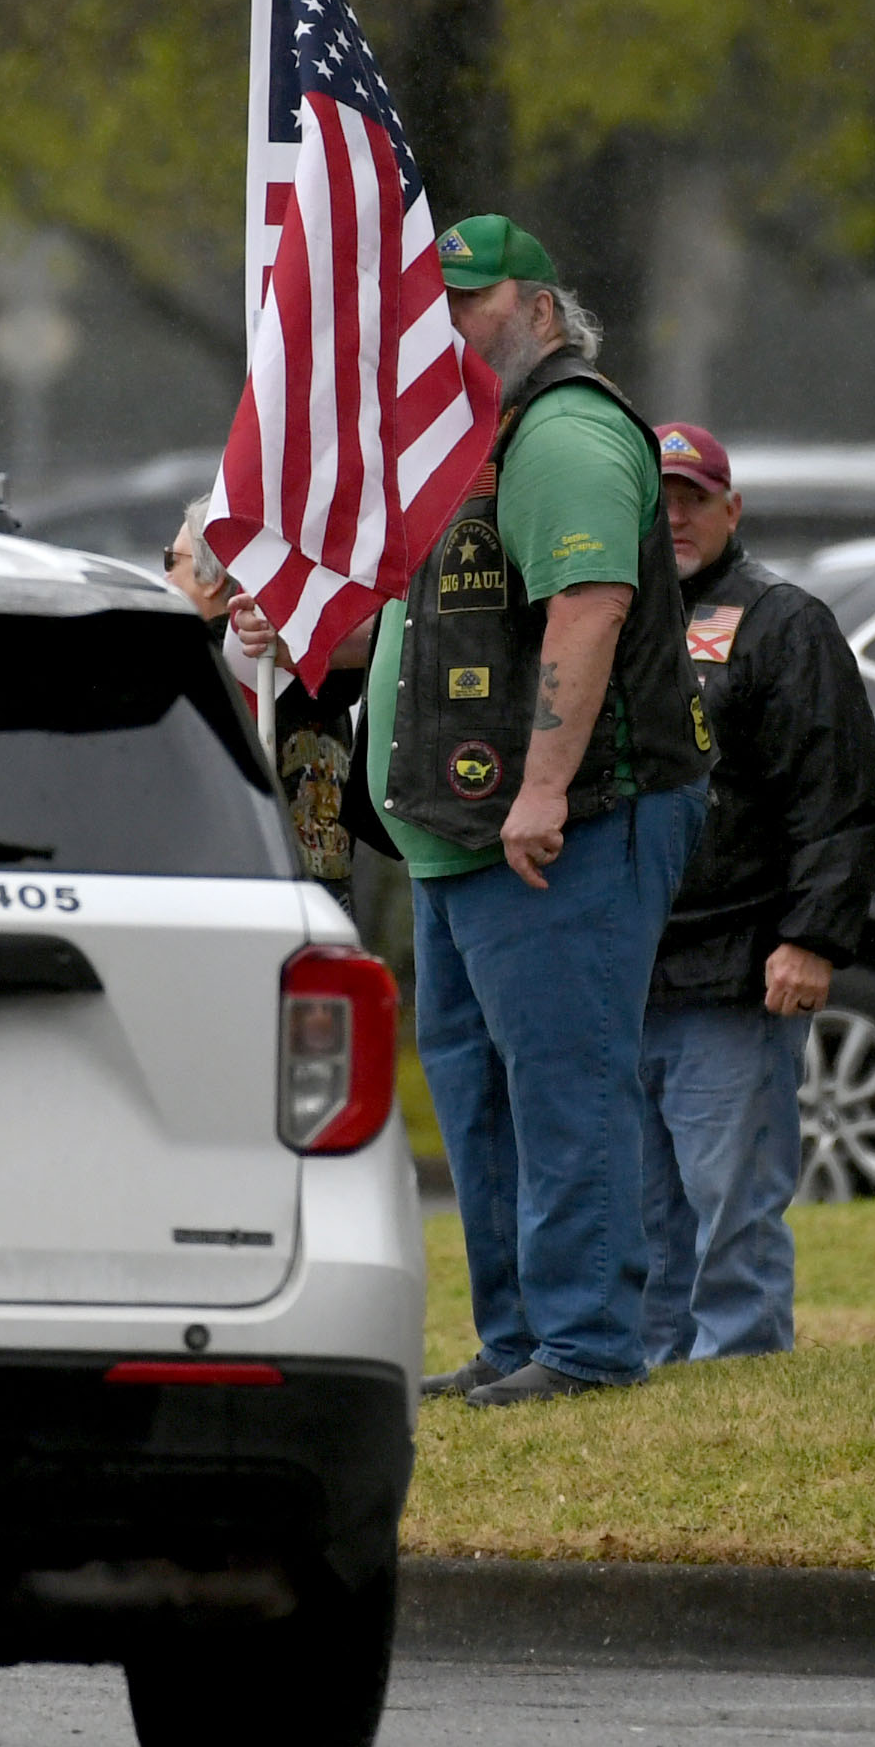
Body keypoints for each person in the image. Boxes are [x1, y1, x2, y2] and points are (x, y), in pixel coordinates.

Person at [246, 213, 713, 1407]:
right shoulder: (460, 445)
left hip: (564, 824)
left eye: (472, 300)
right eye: (434, 304)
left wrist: (543, 788)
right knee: (479, 1091)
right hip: (459, 836)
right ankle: (518, 1339)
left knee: (562, 1081)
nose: (447, 325)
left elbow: (590, 607)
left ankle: (589, 1346)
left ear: (540, 311)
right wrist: (300, 628)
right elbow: (419, 622)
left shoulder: (560, 433)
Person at [636, 424, 875, 1367]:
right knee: (640, 1213)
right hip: (628, 970)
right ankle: (650, 1375)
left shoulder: (785, 623)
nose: (673, 516)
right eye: (656, 498)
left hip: (737, 974)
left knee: (728, 1212)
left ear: (731, 509)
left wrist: (811, 938)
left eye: (693, 498)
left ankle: (735, 1375)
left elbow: (840, 797)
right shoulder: (603, 616)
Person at [179, 497, 362, 906]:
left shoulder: (190, 678)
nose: (165, 578)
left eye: (171, 560)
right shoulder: (325, 667)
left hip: (235, 896)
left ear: (211, 581)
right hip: (325, 900)